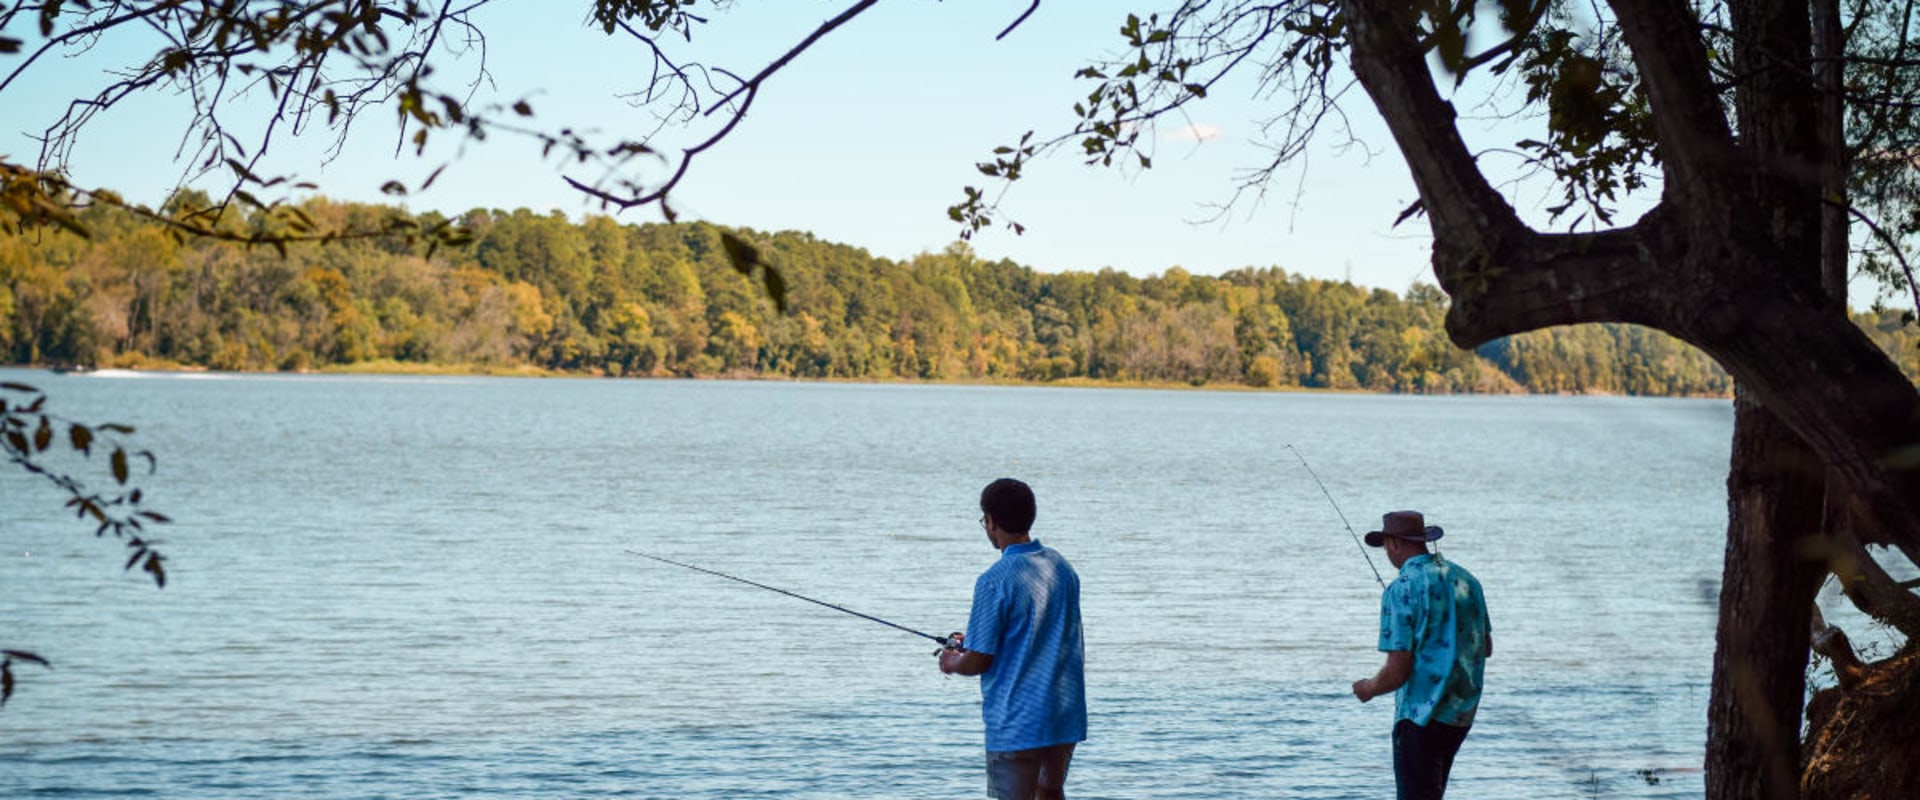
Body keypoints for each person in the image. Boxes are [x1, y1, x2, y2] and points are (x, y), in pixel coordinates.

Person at [938, 478, 1087, 800]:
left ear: (991, 521)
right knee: (1050, 792)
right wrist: (976, 638)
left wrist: (951, 661)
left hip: (1017, 718)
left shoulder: (994, 580)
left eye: (984, 521)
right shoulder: (1060, 566)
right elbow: (1039, 629)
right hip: (1063, 712)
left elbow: (979, 660)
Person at [1351, 510, 1492, 800]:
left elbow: (1397, 672)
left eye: (1386, 546)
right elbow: (1485, 647)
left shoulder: (1401, 589)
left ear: (1394, 544)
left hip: (1420, 716)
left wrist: (1367, 688)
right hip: (1460, 713)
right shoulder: (1467, 580)